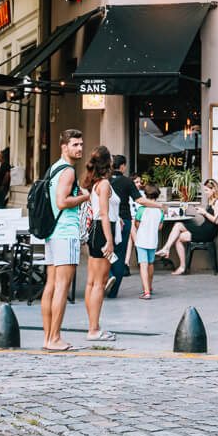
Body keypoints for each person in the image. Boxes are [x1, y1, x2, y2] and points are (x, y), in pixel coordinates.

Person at [41, 129, 88, 352]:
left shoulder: (54, 169)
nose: (79, 148)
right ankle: (55, 337)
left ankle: (48, 337)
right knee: (62, 286)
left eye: (81, 144)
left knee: (51, 285)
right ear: (64, 147)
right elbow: (62, 202)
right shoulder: (68, 171)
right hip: (65, 232)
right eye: (75, 144)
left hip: (52, 233)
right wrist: (84, 196)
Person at [83, 145, 120, 341]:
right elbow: (105, 214)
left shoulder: (95, 183)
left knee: (92, 282)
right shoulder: (104, 184)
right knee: (100, 282)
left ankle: (93, 325)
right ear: (108, 162)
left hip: (95, 230)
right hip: (103, 230)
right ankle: (94, 329)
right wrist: (110, 240)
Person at [157, 178, 218, 276]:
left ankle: (169, 252)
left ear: (214, 189)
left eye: (206, 190)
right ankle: (179, 264)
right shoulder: (212, 200)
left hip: (207, 233)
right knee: (178, 235)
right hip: (204, 229)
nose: (205, 193)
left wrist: (204, 213)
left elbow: (216, 221)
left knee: (178, 225)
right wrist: (202, 211)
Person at [107, 155, 143, 298]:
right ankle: (114, 291)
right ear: (123, 166)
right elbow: (138, 199)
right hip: (125, 220)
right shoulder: (128, 182)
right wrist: (157, 205)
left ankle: (109, 275)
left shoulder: (105, 181)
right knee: (120, 253)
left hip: (108, 219)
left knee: (106, 250)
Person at [134, 184, 164, 300]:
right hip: (153, 241)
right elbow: (160, 227)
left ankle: (146, 292)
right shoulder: (159, 211)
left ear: (145, 195)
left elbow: (136, 223)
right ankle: (150, 287)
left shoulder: (141, 209)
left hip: (141, 240)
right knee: (151, 264)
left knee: (143, 265)